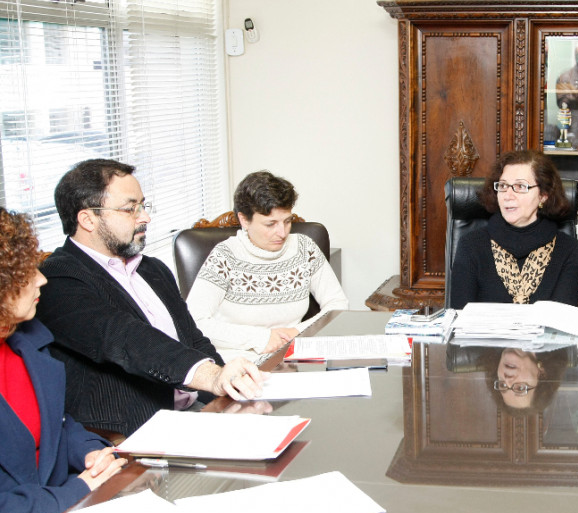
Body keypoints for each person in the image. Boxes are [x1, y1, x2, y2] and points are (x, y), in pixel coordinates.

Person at [36, 159, 267, 436]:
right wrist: (213, 377)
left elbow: (193, 340)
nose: (144, 217)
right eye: (130, 209)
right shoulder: (58, 279)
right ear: (88, 219)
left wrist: (228, 390)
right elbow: (124, 338)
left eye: (143, 205)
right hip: (132, 433)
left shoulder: (152, 269)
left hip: (199, 414)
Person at [0, 208, 127, 513]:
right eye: (27, 272)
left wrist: (90, 452)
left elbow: (59, 422)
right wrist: (77, 489)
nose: (42, 279)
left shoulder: (26, 340)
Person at [186, 171, 349, 362]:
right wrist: (261, 338)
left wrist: (297, 331)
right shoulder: (225, 256)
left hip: (289, 359)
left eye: (287, 221)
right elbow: (194, 323)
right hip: (235, 363)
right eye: (270, 224)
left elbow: (337, 304)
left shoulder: (305, 249)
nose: (282, 232)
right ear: (244, 220)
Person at [450, 149, 578, 309]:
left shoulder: (570, 251)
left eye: (520, 186)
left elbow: (559, 326)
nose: (508, 195)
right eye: (503, 186)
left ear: (543, 195)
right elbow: (461, 319)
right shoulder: (471, 246)